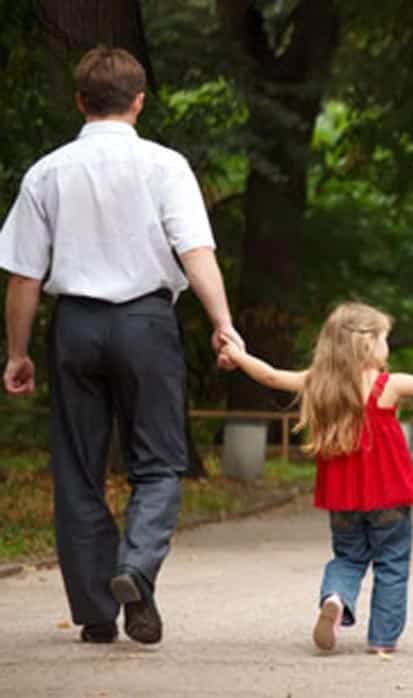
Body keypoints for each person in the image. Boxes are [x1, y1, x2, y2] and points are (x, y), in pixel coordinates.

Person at [0, 47, 241, 645]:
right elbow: (195, 252)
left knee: (79, 470)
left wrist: (18, 352)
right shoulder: (166, 166)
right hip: (146, 325)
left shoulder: (47, 172)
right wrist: (223, 322)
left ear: (79, 101)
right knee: (159, 463)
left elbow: (25, 276)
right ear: (139, 101)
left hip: (76, 326)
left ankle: (95, 614)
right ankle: (134, 567)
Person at [219, 301, 413, 653]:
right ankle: (382, 640)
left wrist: (237, 354)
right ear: (367, 344)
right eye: (385, 339)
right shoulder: (388, 386)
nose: (388, 347)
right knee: (392, 563)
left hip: (343, 500)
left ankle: (335, 598)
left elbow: (271, 376)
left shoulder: (319, 385)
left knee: (348, 558)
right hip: (389, 498)